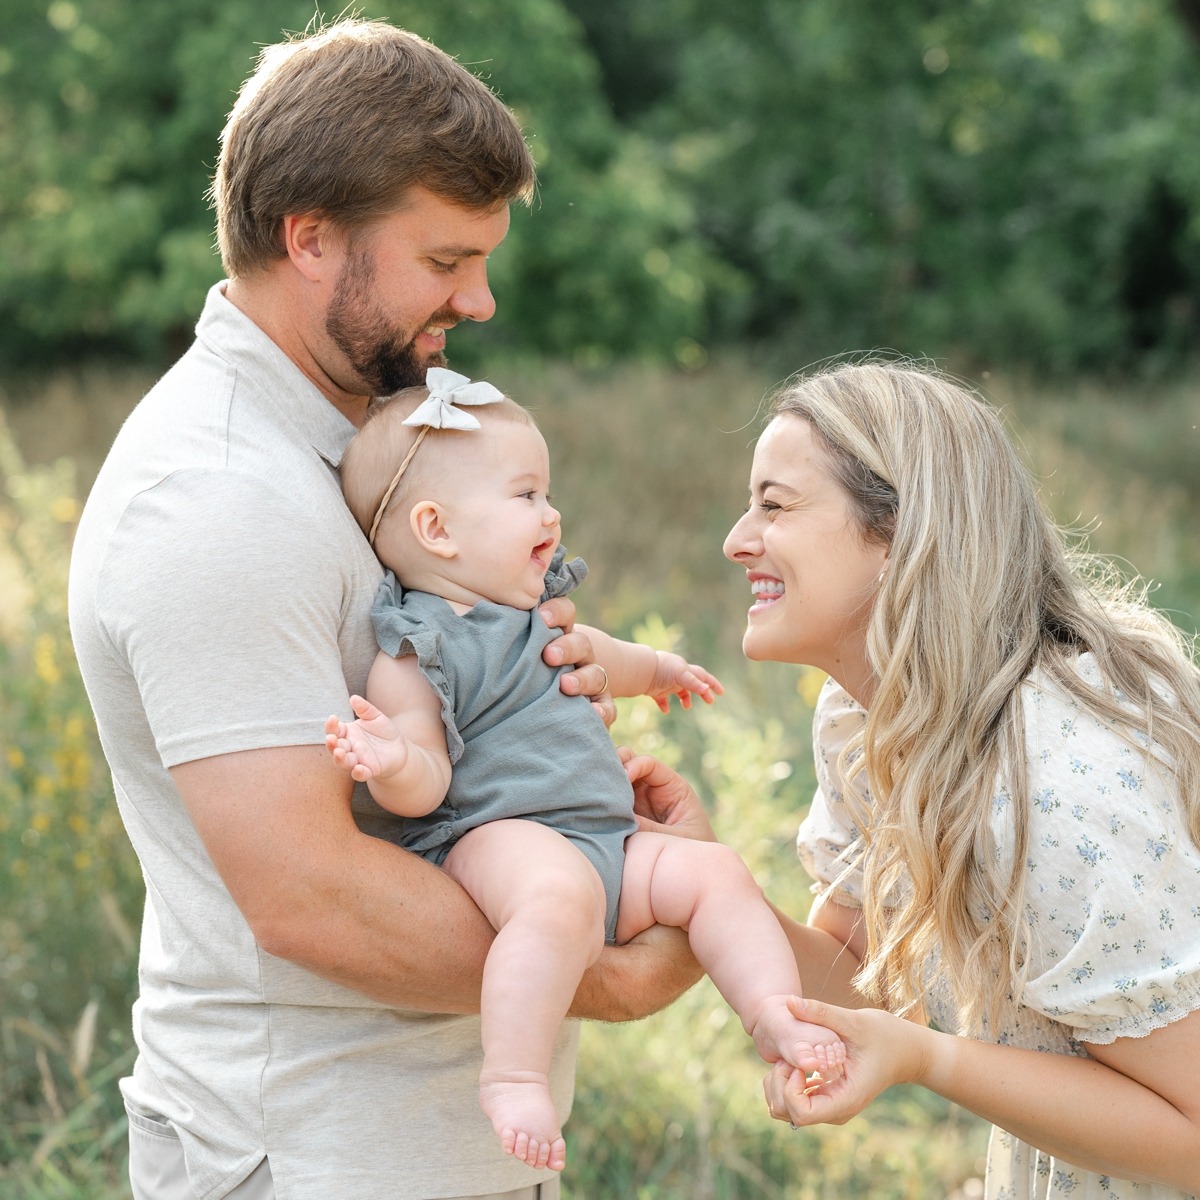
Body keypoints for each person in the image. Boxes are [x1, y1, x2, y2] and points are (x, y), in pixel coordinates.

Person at [67, 19, 705, 1200]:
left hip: (430, 1150)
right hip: (320, 1157)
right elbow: (309, 891)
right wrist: (599, 963)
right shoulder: (215, 498)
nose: (483, 298)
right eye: (447, 259)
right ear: (310, 239)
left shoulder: (352, 450)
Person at [633, 359, 1200, 1199]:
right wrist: (699, 878)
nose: (736, 539)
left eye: (775, 505)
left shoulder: (1055, 785)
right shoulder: (869, 721)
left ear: (901, 530)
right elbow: (858, 980)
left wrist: (930, 1060)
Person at [322, 369, 847, 1172]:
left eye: (548, 491)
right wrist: (391, 761)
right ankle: (513, 1074)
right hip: (499, 837)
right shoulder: (419, 646)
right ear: (436, 529)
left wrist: (664, 668)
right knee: (557, 898)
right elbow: (427, 780)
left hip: (607, 837)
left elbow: (609, 657)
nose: (551, 513)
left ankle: (774, 1013)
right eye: (525, 494)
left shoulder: (542, 612)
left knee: (714, 871)